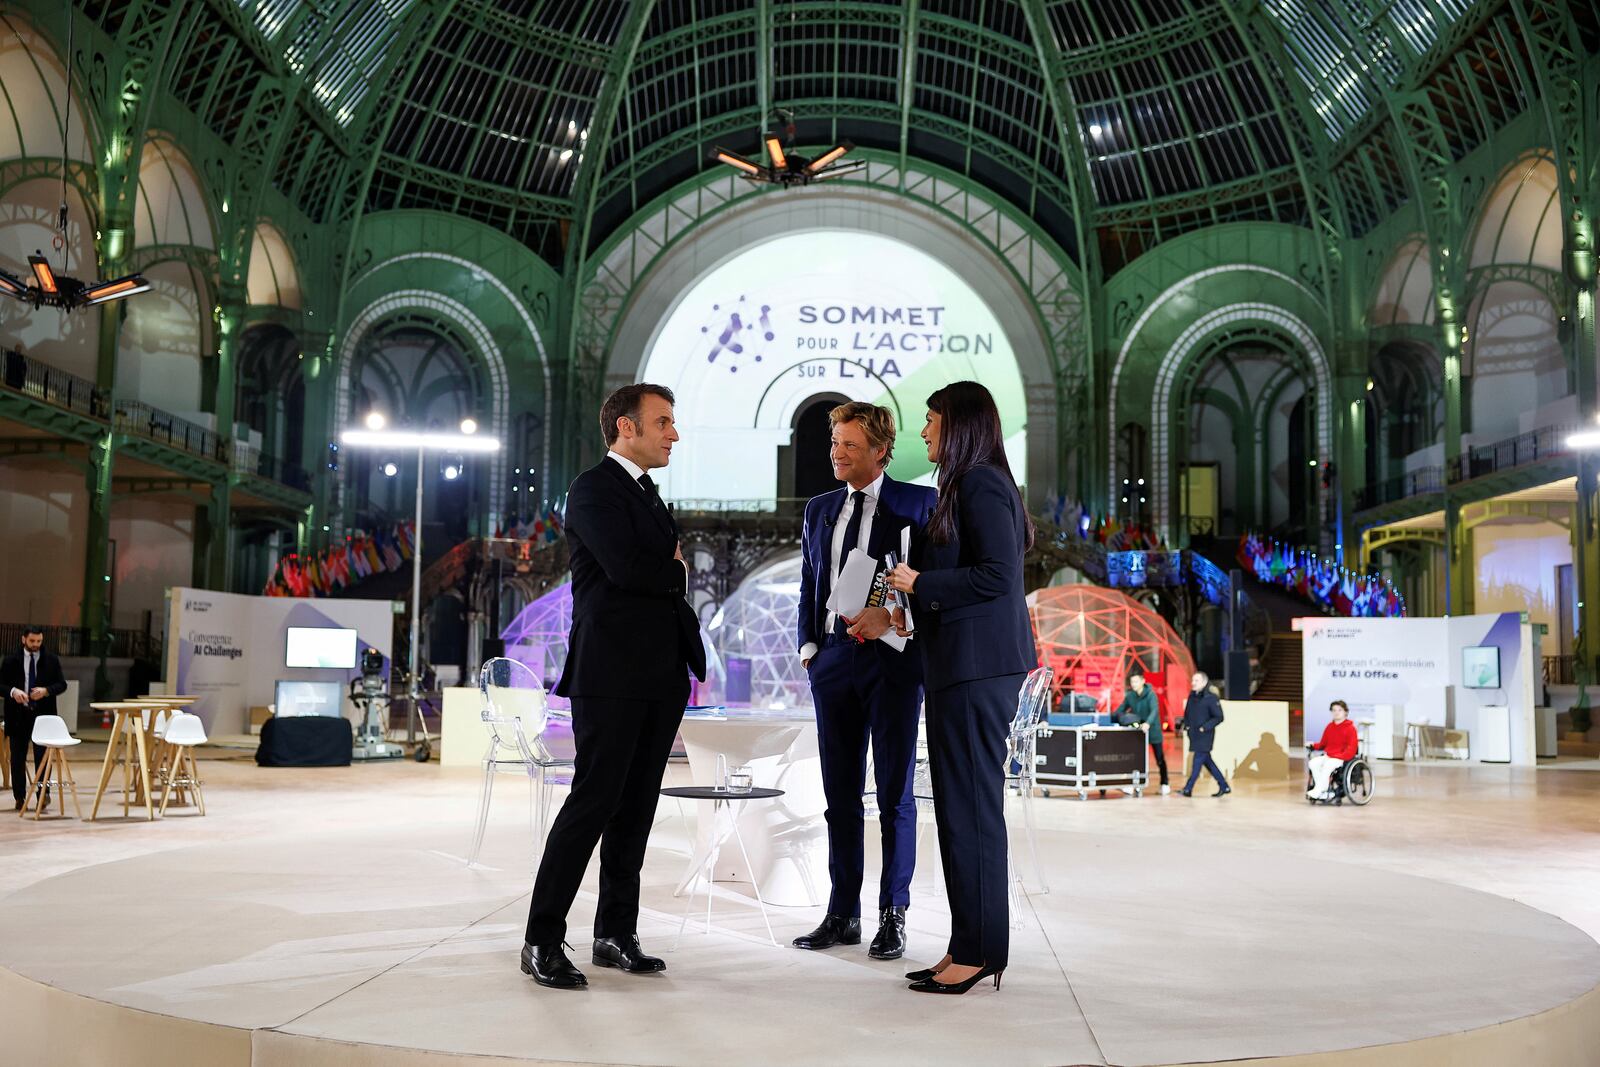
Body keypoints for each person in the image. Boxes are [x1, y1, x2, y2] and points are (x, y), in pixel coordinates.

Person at [520, 384, 707, 990]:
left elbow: (647, 572)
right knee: (593, 804)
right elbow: (631, 569)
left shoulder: (646, 493)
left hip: (657, 672)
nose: (673, 434)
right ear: (626, 427)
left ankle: (613, 933)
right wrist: (674, 569)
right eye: (663, 423)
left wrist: (667, 573)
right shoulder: (594, 489)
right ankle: (542, 940)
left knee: (636, 809)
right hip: (613, 672)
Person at [886, 381, 1035, 995]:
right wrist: (912, 608)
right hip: (958, 665)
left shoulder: (981, 483)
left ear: (960, 424)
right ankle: (967, 944)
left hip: (977, 669)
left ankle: (979, 951)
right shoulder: (968, 484)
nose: (923, 434)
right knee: (957, 809)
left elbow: (998, 576)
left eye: (931, 421)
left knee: (971, 811)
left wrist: (920, 584)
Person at [793, 403, 936, 961]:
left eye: (849, 444)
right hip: (831, 661)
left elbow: (930, 584)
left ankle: (892, 915)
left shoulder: (920, 504)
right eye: (834, 442)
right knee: (839, 797)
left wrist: (899, 619)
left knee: (896, 795)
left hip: (895, 663)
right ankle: (842, 913)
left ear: (880, 450)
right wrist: (809, 648)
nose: (836, 452)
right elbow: (811, 580)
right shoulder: (818, 509)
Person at [3, 625, 67, 811]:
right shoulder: (10, 661)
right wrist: (13, 692)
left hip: (43, 716)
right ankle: (19, 797)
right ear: (24, 639)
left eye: (39, 641)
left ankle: (43, 794)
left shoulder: (52, 660)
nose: (36, 644)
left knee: (43, 758)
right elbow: (2, 685)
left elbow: (62, 684)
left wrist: (46, 691)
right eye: (32, 641)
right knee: (17, 758)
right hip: (18, 715)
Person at [1113, 672, 1168, 794]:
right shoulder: (1130, 696)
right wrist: (1111, 718)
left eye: (1136, 682)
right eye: (1132, 682)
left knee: (1159, 758)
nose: (1134, 684)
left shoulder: (1151, 695)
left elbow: (1154, 710)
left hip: (1152, 730)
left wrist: (1148, 723)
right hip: (1138, 732)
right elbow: (1121, 709)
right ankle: (1133, 784)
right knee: (1135, 758)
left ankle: (1165, 783)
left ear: (1143, 681)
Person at [1180, 671, 1230, 798]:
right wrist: (1185, 725)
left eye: (1196, 681)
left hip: (1205, 736)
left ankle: (1188, 788)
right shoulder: (1192, 696)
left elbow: (1219, 717)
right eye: (1193, 680)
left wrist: (1205, 727)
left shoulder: (1211, 698)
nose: (1193, 683)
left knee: (1197, 762)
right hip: (1194, 735)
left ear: (1204, 682)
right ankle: (1224, 786)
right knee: (1207, 762)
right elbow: (1188, 713)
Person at [1307, 699, 1359, 800]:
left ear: (1345, 712)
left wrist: (1339, 756)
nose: (1336, 712)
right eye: (1334, 710)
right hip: (1329, 755)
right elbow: (1323, 744)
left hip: (1341, 757)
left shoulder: (1350, 728)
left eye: (1339, 710)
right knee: (1313, 763)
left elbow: (1351, 749)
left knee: (1328, 765)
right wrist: (1313, 745)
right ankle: (1322, 789)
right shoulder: (1329, 727)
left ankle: (1320, 790)